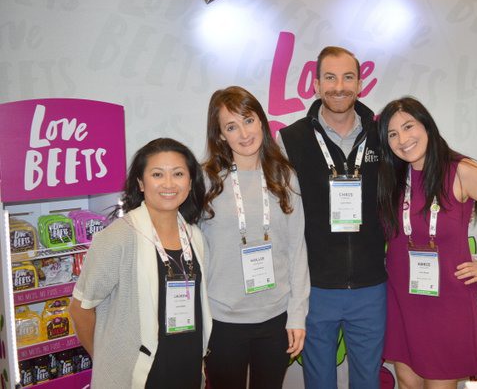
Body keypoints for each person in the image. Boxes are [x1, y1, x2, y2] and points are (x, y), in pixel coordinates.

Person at [377, 97, 477, 389]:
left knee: (440, 383)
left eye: (408, 126)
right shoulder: (392, 176)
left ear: (426, 126)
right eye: (392, 134)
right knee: (407, 381)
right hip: (402, 297)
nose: (403, 140)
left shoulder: (461, 171)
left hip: (446, 300)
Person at [277, 46, 387, 389]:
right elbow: (280, 213)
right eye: (330, 77)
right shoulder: (289, 139)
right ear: (316, 84)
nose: (339, 86)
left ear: (360, 84)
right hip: (315, 288)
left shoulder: (383, 136)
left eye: (348, 77)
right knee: (318, 382)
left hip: (370, 287)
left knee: (367, 381)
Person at [69, 138, 212, 389]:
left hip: (187, 369)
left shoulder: (195, 237)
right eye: (157, 174)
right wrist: (106, 360)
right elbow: (80, 309)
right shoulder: (118, 237)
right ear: (141, 183)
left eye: (178, 174)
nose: (169, 183)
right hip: (138, 376)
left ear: (190, 182)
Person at [201, 86, 309, 389]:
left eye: (248, 120)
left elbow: (296, 249)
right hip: (222, 320)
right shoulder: (206, 180)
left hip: (276, 318)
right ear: (220, 135)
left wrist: (297, 314)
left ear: (261, 121)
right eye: (231, 127)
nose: (244, 133)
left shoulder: (285, 177)